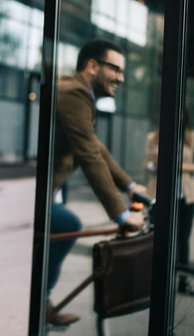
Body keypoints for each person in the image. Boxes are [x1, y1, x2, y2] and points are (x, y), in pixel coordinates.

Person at [47, 39, 147, 325]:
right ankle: (41, 301)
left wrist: (130, 186)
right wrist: (122, 214)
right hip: (36, 195)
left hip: (49, 192)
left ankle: (42, 300)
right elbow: (89, 155)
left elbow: (96, 147)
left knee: (62, 224)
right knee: (67, 224)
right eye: (116, 69)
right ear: (92, 66)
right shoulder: (73, 93)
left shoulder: (78, 93)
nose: (121, 78)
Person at [145, 109, 194, 296]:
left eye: (180, 115)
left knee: (182, 241)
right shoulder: (153, 137)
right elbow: (147, 164)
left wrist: (179, 166)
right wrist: (158, 164)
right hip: (160, 195)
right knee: (155, 238)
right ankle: (152, 281)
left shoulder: (193, 137)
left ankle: (183, 281)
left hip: (186, 197)